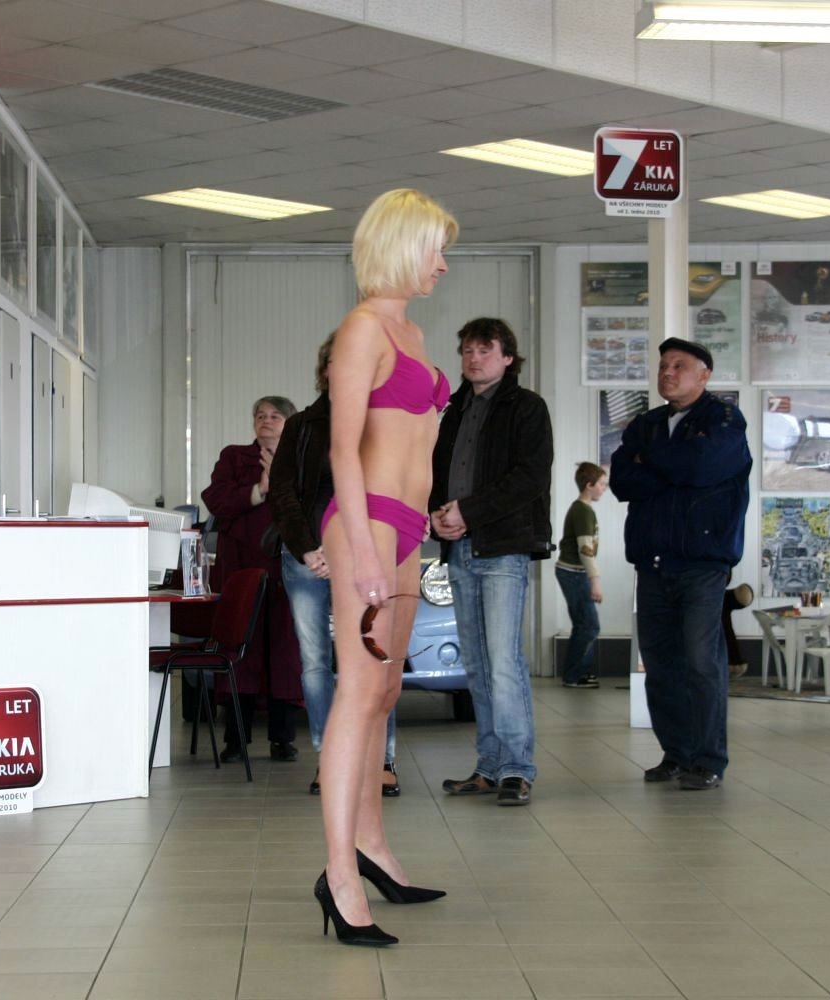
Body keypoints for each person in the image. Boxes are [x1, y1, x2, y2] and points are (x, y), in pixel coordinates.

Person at [315, 189, 457, 947]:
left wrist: (422, 527)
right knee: (359, 689)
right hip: (364, 521)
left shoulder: (415, 332)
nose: (443, 264)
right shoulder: (363, 329)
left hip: (407, 526)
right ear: (401, 246)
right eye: (436, 250)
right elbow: (343, 448)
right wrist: (366, 552)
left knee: (386, 690)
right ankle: (339, 875)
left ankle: (371, 845)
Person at [610, 337, 751, 792]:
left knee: (701, 661)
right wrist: (673, 465)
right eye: (663, 366)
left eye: (679, 366)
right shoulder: (647, 423)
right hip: (652, 562)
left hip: (702, 564)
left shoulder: (724, 420)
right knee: (661, 663)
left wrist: (651, 460)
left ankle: (708, 760)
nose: (667, 373)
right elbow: (622, 480)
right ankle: (676, 754)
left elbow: (702, 467)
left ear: (704, 375)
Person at [269, 332, 401, 798]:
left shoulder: (379, 423)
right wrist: (308, 548)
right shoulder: (300, 425)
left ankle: (380, 759)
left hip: (364, 558)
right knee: (315, 663)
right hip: (307, 559)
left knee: (372, 657)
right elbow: (282, 492)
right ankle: (330, 759)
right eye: (335, 362)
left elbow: (391, 491)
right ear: (325, 371)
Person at [431, 318, 553, 808]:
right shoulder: (454, 410)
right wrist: (437, 515)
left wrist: (469, 511)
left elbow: (530, 477)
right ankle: (489, 765)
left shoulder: (527, 407)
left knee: (503, 662)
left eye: (485, 350)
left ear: (507, 357)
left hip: (503, 547)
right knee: (477, 665)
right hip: (460, 547)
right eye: (467, 350)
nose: (473, 358)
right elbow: (438, 473)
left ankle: (517, 768)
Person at [200, 396, 305, 764]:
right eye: (260, 415)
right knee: (239, 650)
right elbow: (216, 500)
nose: (266, 420)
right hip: (241, 568)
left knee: (284, 651)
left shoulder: (301, 458)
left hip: (287, 567)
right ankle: (235, 739)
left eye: (275, 415)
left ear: (289, 423)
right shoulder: (234, 457)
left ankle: (283, 739)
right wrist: (259, 490)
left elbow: (315, 503)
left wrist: (281, 481)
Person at [556, 462, 607, 689]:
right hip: (573, 573)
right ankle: (574, 675)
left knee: (583, 624)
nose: (604, 489)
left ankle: (579, 672)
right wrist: (595, 581)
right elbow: (585, 549)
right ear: (589, 485)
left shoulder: (582, 509)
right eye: (602, 484)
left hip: (574, 572)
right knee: (588, 625)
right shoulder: (582, 511)